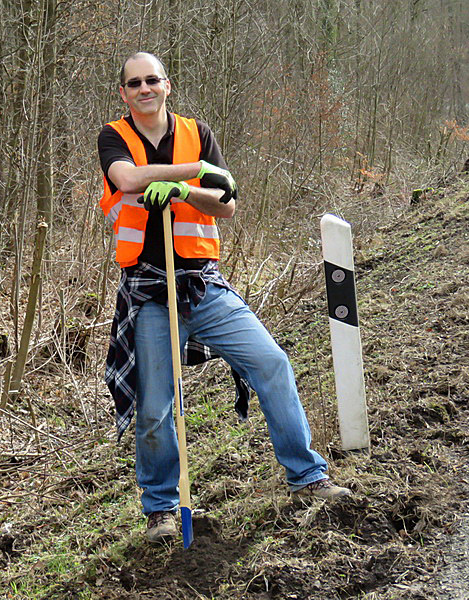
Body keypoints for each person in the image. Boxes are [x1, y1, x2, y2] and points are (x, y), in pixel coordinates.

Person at [97, 52, 350, 544]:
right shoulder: (115, 136)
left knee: (271, 362)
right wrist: (190, 172)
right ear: (124, 93)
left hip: (203, 284)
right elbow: (125, 179)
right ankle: (162, 510)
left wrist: (186, 193)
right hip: (149, 292)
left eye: (153, 80)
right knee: (155, 406)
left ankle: (306, 476)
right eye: (135, 83)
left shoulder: (198, 130)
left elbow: (226, 203)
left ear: (167, 85)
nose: (145, 88)